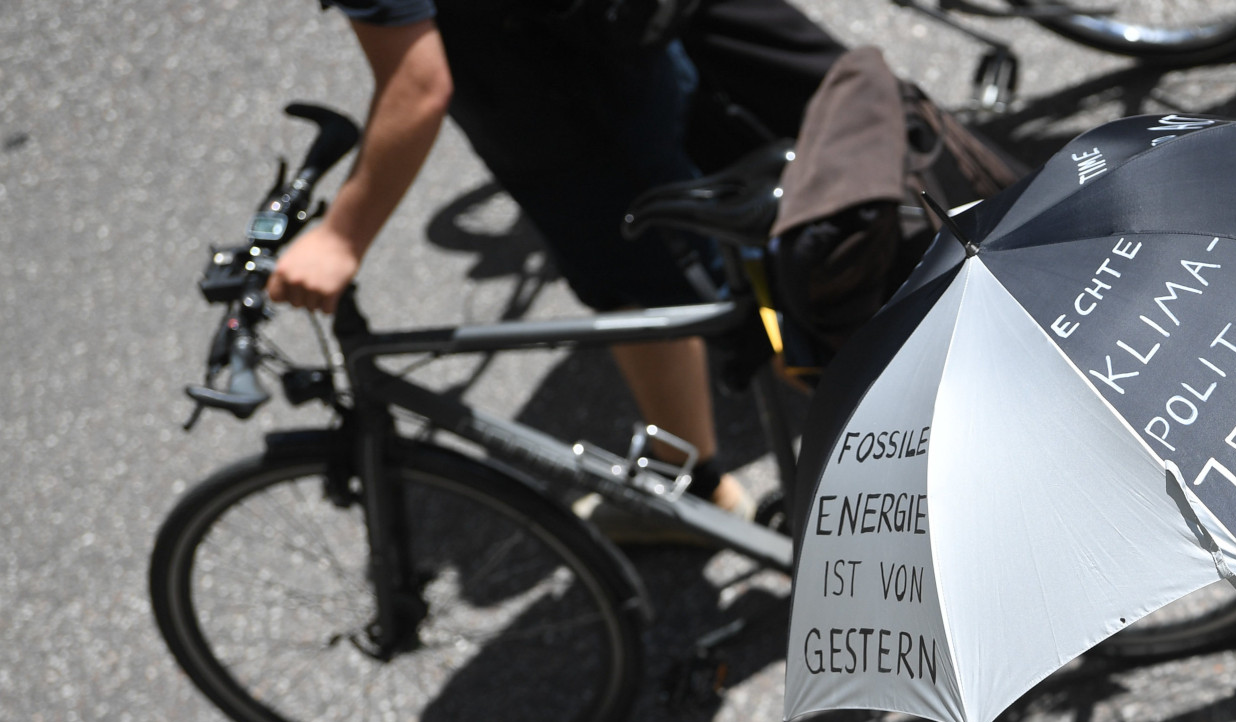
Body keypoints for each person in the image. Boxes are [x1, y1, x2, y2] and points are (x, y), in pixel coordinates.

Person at [271, 0, 852, 527]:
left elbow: (417, 84)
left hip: (570, 111)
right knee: (664, 281)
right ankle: (699, 482)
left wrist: (341, 238)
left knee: (703, 303)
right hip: (611, 54)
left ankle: (896, 464)